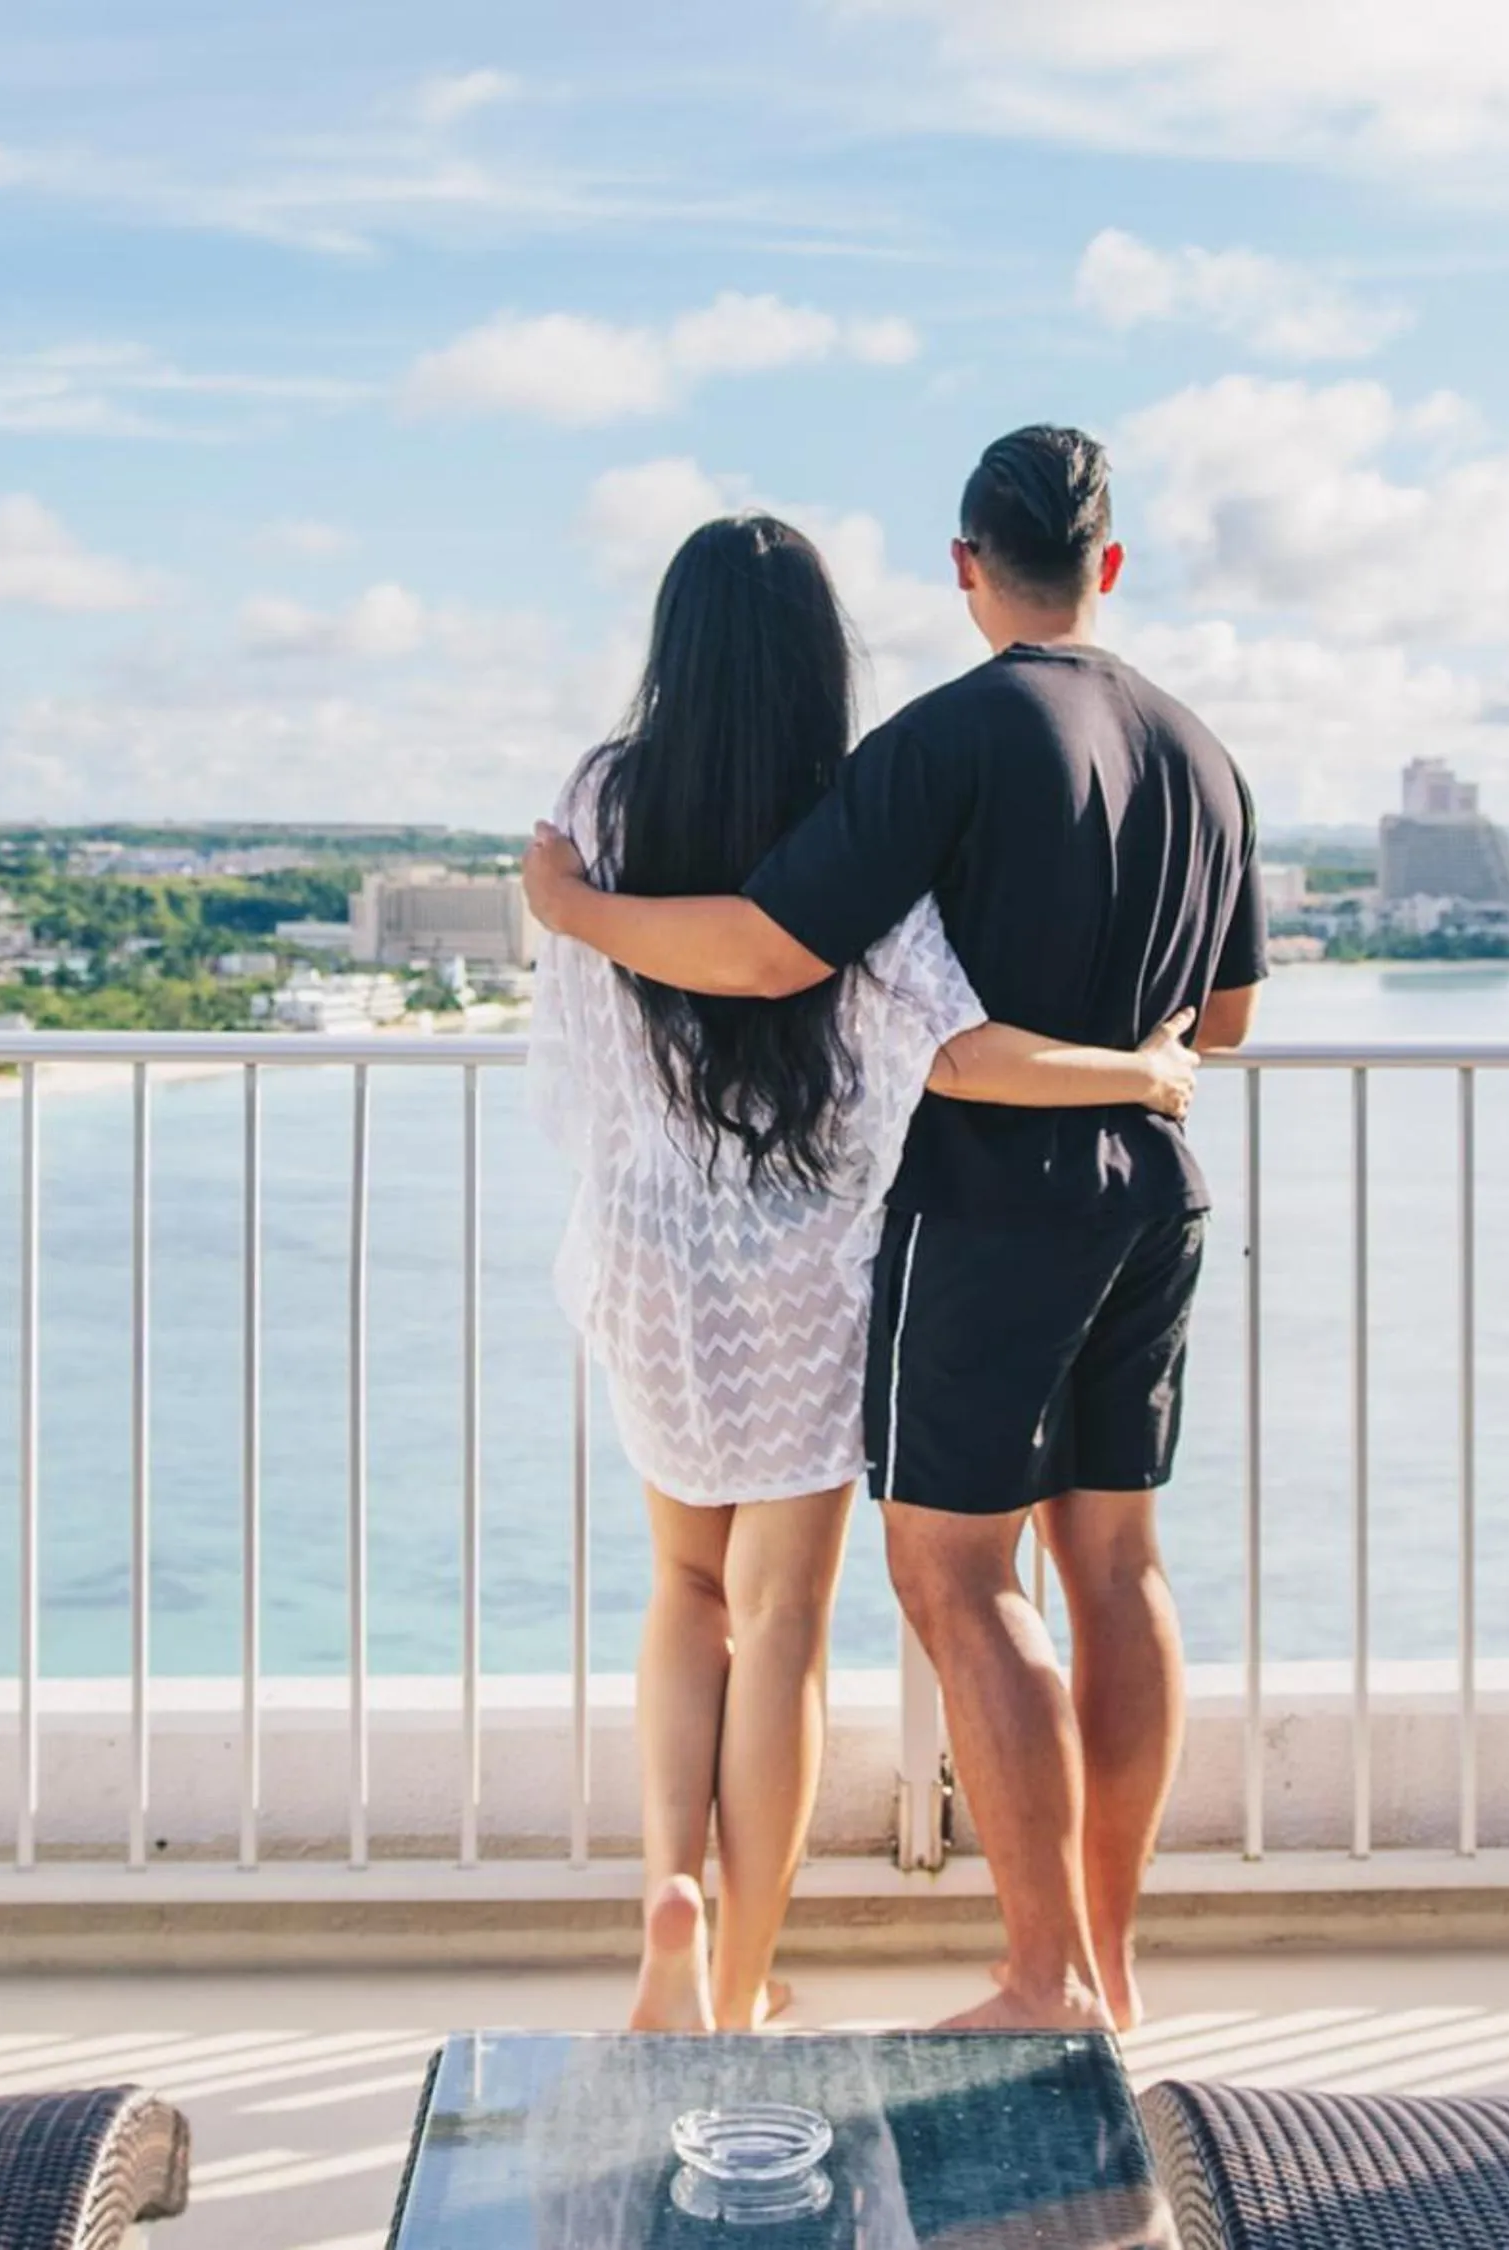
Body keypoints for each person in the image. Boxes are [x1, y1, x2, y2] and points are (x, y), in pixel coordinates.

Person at [525, 426, 1264, 2033]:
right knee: (1100, 1571)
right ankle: (1090, 1964)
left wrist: (577, 909)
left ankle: (958, 1957)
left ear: (965, 563)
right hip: (1124, 1191)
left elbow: (768, 952)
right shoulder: (1204, 753)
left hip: (867, 1221)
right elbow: (1224, 1016)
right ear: (1109, 564)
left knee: (855, 1584)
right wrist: (1139, 1065)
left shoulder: (892, 752)